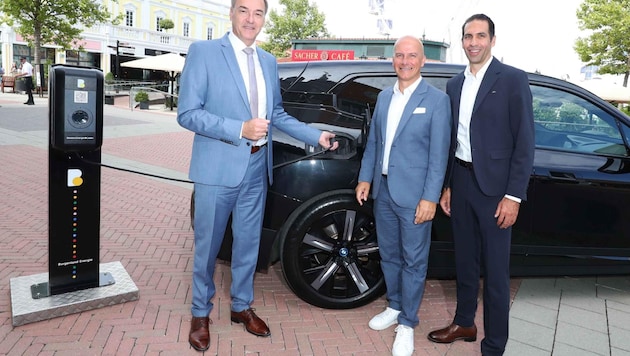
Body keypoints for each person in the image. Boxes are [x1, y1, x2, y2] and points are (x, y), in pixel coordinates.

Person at [176, 0, 338, 352]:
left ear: (264, 18)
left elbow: (276, 113)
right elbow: (187, 113)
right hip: (217, 169)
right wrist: (240, 128)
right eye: (244, 10)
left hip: (256, 167)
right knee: (208, 247)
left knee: (249, 243)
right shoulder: (203, 52)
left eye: (258, 12)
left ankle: (240, 306)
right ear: (231, 13)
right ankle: (200, 313)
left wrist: (316, 136)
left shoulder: (267, 61)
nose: (251, 19)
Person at [426, 14, 535, 356]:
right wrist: (447, 186)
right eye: (468, 36)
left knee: (496, 273)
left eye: (480, 36)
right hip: (461, 181)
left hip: (496, 190)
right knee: (465, 262)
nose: (474, 42)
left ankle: (494, 345)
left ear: (492, 40)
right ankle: (464, 323)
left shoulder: (513, 80)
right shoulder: (455, 84)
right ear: (462, 41)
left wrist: (513, 196)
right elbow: (451, 142)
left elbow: (525, 142)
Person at [355, 36, 451, 356]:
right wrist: (364, 179)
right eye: (399, 55)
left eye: (412, 56)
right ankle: (395, 306)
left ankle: (408, 323)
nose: (405, 61)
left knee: (414, 261)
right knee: (390, 255)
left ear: (423, 61)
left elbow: (439, 157)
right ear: (392, 60)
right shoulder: (384, 97)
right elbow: (375, 144)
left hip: (414, 198)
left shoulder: (437, 100)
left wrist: (430, 198)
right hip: (383, 192)